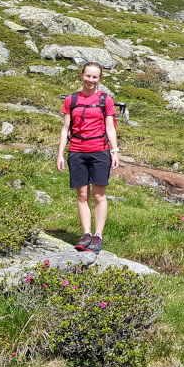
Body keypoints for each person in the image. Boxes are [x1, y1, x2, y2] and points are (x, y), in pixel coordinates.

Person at [56, 62, 119, 254]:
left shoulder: (105, 100)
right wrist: (60, 153)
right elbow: (65, 128)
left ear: (99, 79)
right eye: (88, 76)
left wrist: (115, 151)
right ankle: (86, 234)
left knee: (99, 195)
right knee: (82, 195)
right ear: (81, 75)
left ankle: (98, 236)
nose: (91, 80)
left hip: (99, 151)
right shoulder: (71, 100)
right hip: (77, 151)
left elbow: (110, 127)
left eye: (95, 77)